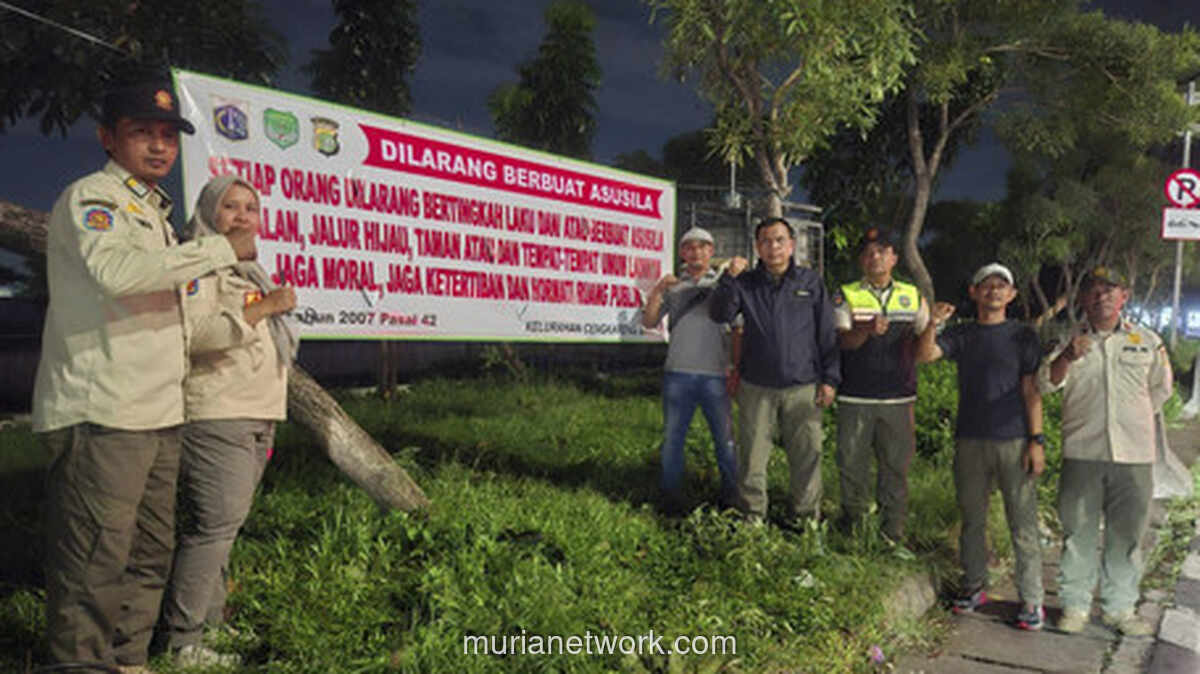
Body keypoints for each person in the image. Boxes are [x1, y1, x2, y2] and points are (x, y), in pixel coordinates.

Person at [33, 81, 256, 673]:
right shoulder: (92, 199)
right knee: (92, 564)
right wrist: (218, 251)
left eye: (167, 136)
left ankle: (129, 661)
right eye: (142, 133)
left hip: (159, 412)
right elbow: (117, 273)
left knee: (148, 553)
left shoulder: (154, 215)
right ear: (109, 137)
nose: (159, 146)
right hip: (104, 411)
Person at [159, 175, 297, 666]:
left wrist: (262, 302)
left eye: (251, 209)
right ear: (209, 214)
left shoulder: (248, 273)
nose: (243, 217)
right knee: (212, 528)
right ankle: (183, 642)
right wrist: (265, 310)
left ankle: (210, 627)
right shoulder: (199, 264)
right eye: (231, 207)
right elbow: (195, 334)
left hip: (255, 415)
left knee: (223, 528)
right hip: (218, 415)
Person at [1040, 266, 1172, 636]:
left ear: (1124, 297)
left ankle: (1120, 609)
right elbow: (1045, 384)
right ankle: (1076, 606)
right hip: (1083, 451)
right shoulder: (1066, 339)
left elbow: (1160, 390)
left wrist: (1132, 419)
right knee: (1077, 533)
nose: (1102, 297)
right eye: (1095, 291)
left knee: (1127, 536)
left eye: (1110, 290)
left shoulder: (1147, 341)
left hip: (1134, 456)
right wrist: (1067, 356)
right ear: (1083, 299)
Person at [915, 263, 1046, 631]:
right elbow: (924, 356)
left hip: (1014, 439)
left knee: (1022, 522)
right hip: (970, 439)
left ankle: (1032, 599)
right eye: (985, 285)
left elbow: (1031, 390)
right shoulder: (963, 334)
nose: (993, 291)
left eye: (1001, 285)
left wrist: (1036, 441)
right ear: (974, 293)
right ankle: (974, 586)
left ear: (1012, 295)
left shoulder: (1023, 335)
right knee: (972, 519)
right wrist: (932, 323)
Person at [710, 216, 840, 523]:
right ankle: (752, 521)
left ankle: (806, 521)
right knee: (752, 459)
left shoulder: (810, 282)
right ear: (757, 247)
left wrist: (830, 379)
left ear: (791, 245)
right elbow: (719, 313)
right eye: (766, 241)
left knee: (807, 457)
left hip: (803, 386)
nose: (773, 247)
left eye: (780, 240)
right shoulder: (745, 283)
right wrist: (728, 277)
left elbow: (826, 334)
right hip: (756, 387)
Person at [832, 227, 929, 541]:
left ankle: (892, 533)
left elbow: (924, 343)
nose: (875, 257)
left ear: (894, 258)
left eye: (882, 251)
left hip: (899, 398)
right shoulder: (846, 294)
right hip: (854, 397)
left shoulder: (912, 295)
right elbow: (841, 342)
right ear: (862, 260)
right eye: (869, 252)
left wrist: (936, 323)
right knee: (852, 465)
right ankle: (857, 530)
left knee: (896, 468)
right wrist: (865, 330)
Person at [641, 226, 738, 514]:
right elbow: (648, 322)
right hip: (677, 374)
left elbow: (738, 330)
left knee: (726, 441)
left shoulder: (725, 284)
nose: (696, 252)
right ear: (682, 253)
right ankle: (670, 497)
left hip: (716, 376)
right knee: (672, 440)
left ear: (711, 252)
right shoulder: (674, 287)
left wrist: (734, 368)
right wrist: (657, 290)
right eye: (690, 248)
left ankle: (732, 497)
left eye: (702, 247)